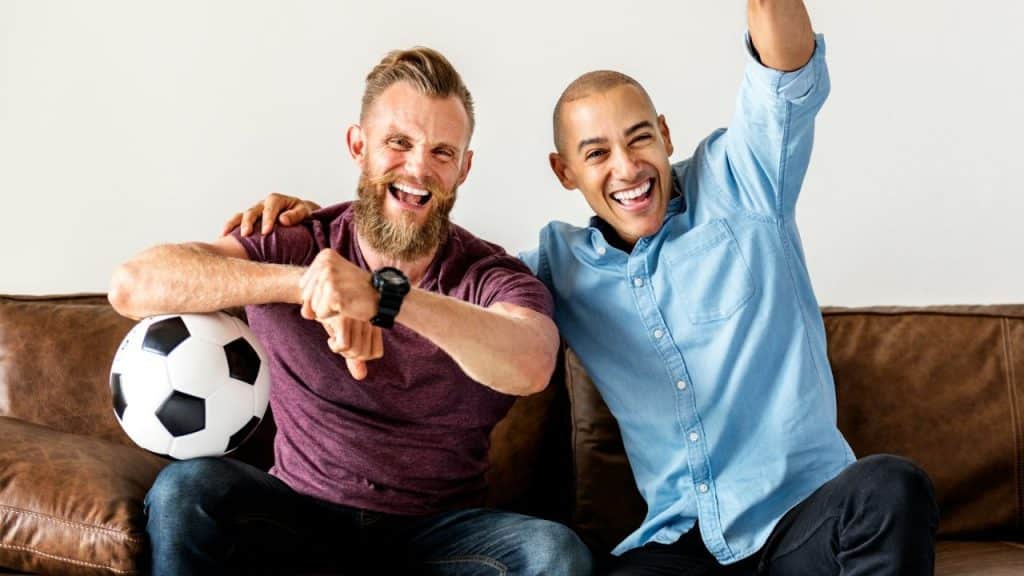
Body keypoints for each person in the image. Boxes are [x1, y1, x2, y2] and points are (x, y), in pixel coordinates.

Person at [240, 2, 940, 574]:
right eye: (596, 153)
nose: (628, 167)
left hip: (804, 521)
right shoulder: (555, 264)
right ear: (564, 172)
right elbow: (447, 281)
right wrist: (338, 220)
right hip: (678, 548)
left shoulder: (745, 186)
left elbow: (784, 68)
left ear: (666, 136)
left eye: (640, 140)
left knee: (892, 485)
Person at [108, 46, 592, 576]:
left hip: (437, 541)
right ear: (358, 146)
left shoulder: (489, 276)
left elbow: (532, 361)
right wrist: (310, 286)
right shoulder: (297, 240)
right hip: (299, 523)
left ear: (464, 169)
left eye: (441, 153)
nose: (418, 168)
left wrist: (384, 297)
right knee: (188, 490)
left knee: (553, 554)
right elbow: (132, 285)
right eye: (398, 143)